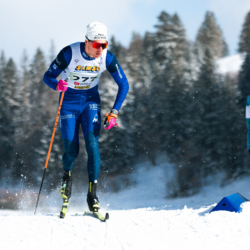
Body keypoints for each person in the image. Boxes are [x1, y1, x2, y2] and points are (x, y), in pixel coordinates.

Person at [43, 22, 129, 214]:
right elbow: (47, 76)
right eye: (97, 45)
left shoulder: (107, 57)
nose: (101, 49)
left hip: (90, 101)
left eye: (104, 44)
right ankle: (66, 181)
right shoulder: (69, 53)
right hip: (69, 103)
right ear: (87, 41)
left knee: (92, 144)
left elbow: (124, 85)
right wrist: (56, 85)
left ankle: (92, 195)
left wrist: (114, 111)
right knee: (72, 151)